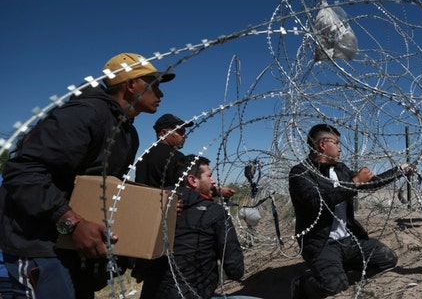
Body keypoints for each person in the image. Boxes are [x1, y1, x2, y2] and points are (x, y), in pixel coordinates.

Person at [0, 52, 176, 298]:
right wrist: (71, 222)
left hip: (73, 246)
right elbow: (22, 171)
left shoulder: (127, 132)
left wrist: (156, 206)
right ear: (131, 84)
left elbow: (104, 187)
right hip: (39, 244)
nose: (160, 94)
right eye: (154, 85)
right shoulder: (86, 114)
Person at [288, 123, 415, 299]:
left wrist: (399, 171)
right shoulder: (300, 173)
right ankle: (301, 284)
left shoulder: (341, 169)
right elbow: (317, 202)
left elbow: (369, 183)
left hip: (348, 239)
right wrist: (355, 182)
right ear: (322, 145)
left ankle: (340, 266)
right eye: (337, 143)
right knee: (334, 286)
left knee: (388, 259)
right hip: (321, 243)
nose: (340, 149)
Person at [134, 114, 236, 298]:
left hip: (150, 225)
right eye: (180, 132)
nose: (184, 135)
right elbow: (187, 191)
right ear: (164, 133)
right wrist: (216, 191)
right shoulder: (174, 158)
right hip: (178, 226)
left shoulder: (144, 157)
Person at [153, 154, 256, 299]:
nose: (213, 181)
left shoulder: (155, 207)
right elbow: (235, 269)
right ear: (192, 180)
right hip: (193, 294)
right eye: (209, 176)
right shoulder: (214, 212)